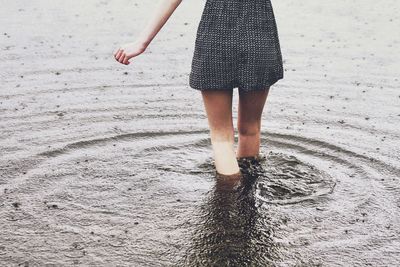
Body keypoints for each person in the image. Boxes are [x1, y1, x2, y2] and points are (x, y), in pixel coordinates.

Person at [113, 0, 284, 179]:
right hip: (259, 35)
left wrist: (142, 42)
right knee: (250, 129)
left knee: (221, 137)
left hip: (217, 36)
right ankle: (247, 198)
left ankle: (227, 199)